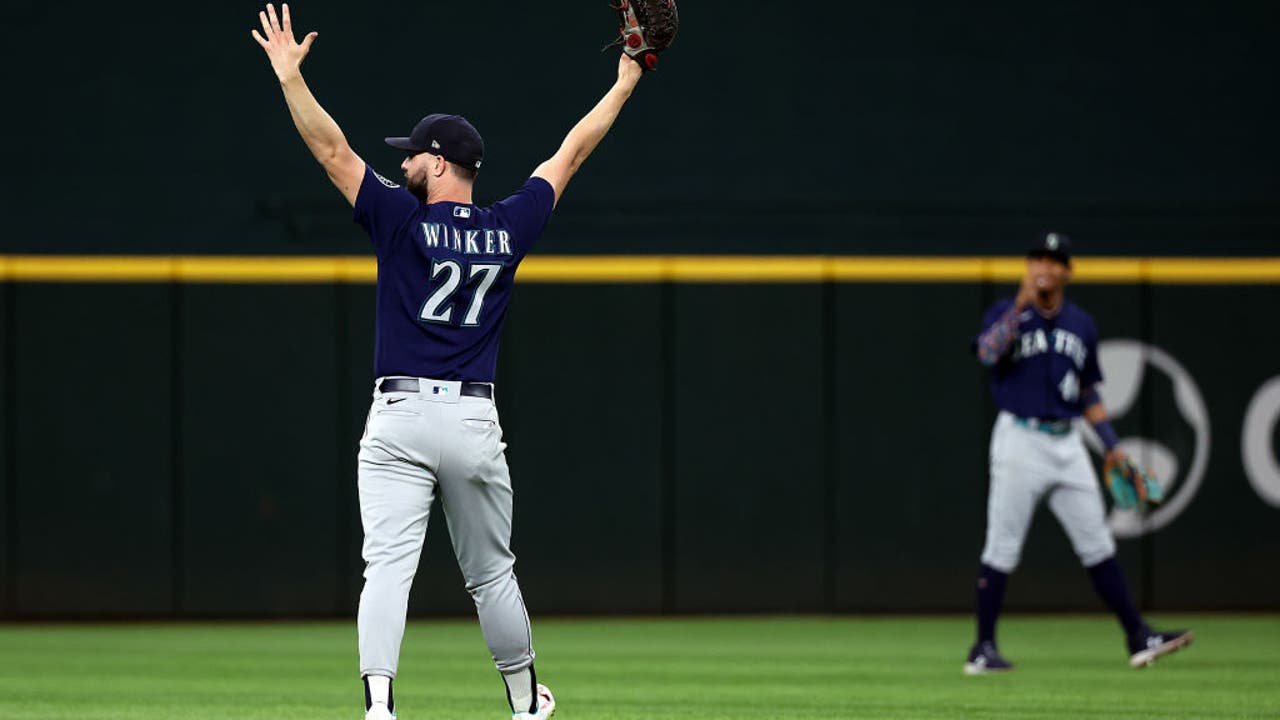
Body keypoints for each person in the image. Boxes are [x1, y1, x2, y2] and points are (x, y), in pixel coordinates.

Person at [252, 4, 644, 717]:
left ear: (437, 162)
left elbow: (332, 151)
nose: (400, 162)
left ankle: (378, 708)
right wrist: (624, 81)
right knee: (492, 575)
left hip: (399, 417)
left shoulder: (400, 219)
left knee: (387, 572)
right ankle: (527, 704)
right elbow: (572, 153)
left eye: (410, 154)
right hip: (470, 417)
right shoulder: (508, 225)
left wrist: (290, 80)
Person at [964, 232, 1193, 674]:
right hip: (1020, 439)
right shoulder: (1007, 312)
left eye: (1054, 260)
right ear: (1027, 267)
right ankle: (982, 649)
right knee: (1002, 545)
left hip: (1067, 443)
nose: (1044, 267)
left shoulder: (1081, 324)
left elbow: (1087, 391)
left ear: (1068, 271)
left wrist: (1113, 448)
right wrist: (1020, 305)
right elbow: (989, 353)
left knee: (1097, 543)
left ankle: (1137, 636)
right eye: (1037, 259)